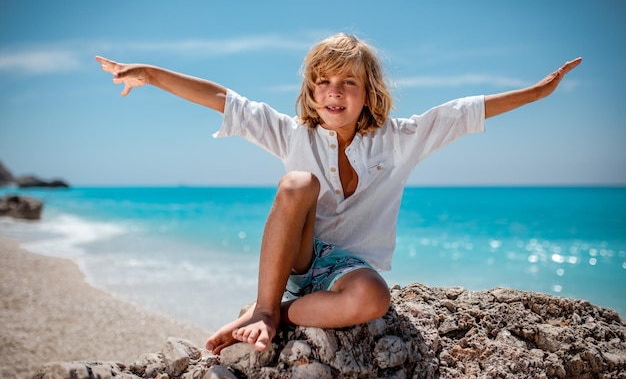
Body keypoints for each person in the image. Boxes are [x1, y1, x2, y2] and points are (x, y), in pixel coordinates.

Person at [96, 33, 581, 355]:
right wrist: (152, 75)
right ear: (311, 93)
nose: (335, 91)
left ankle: (276, 315)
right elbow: (224, 99)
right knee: (298, 182)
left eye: (348, 82)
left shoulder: (400, 138)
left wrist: (536, 93)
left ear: (368, 91)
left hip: (347, 272)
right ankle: (264, 307)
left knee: (374, 298)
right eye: (323, 82)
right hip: (299, 260)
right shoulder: (291, 134)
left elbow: (462, 111)